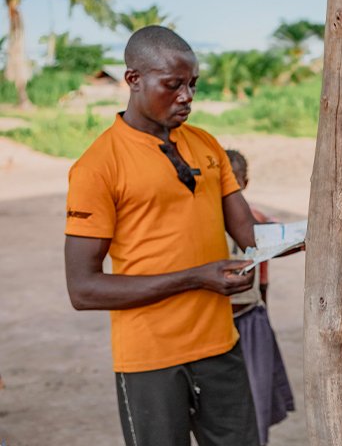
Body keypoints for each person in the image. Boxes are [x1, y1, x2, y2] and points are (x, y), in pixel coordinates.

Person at [64, 26, 261, 446]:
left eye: (192, 84)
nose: (187, 96)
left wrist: (313, 233)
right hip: (150, 359)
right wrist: (196, 278)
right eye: (173, 85)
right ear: (133, 79)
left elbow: (250, 233)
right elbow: (83, 289)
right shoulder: (98, 167)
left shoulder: (206, 144)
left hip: (219, 346)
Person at [225, 149, 296, 445]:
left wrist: (262, 309)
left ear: (245, 182)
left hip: (249, 317)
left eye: (235, 180)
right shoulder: (202, 222)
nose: (229, 187)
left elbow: (263, 272)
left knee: (256, 393)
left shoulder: (255, 220)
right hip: (216, 321)